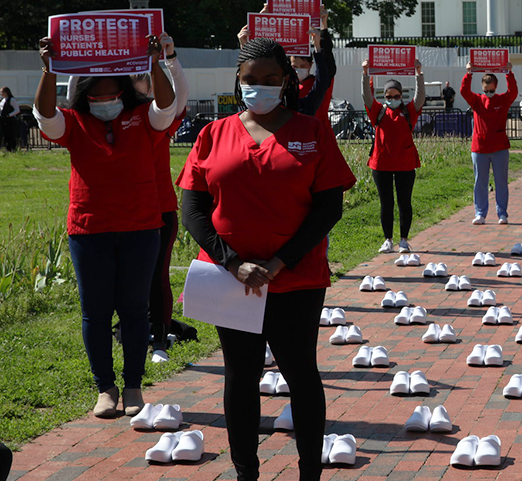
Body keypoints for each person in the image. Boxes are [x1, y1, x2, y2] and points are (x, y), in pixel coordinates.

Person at [178, 38, 356, 481]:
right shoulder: (212, 134)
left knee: (301, 373)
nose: (260, 87)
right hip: (229, 280)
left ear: (287, 81)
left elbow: (328, 207)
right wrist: (233, 262)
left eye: (270, 80)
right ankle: (245, 473)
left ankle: (309, 473)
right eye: (251, 80)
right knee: (241, 375)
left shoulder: (311, 132)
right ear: (238, 82)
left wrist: (279, 263)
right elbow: (193, 208)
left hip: (295, 279)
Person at [34, 35, 176, 419]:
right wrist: (49, 69)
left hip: (141, 228)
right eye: (95, 98)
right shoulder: (74, 123)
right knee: (94, 313)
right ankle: (105, 388)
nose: (105, 103)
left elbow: (166, 105)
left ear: (125, 93)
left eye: (112, 95)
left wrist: (154, 61)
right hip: (89, 230)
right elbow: (45, 115)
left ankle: (133, 387)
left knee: (134, 309)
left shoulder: (144, 119)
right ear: (83, 97)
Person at [66, 35, 190, 364]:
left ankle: (160, 337)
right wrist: (83, 60)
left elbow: (176, 99)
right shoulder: (101, 119)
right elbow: (73, 99)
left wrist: (169, 58)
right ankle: (128, 335)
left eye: (144, 80)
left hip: (157, 208)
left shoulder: (155, 119)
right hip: (114, 216)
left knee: (156, 277)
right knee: (116, 290)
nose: (140, 85)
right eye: (134, 79)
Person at [364, 61, 425, 254]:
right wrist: (366, 74)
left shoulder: (408, 111)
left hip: (405, 164)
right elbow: (366, 96)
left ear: (402, 95)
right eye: (389, 96)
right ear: (384, 97)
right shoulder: (378, 112)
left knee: (404, 202)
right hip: (381, 164)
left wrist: (418, 73)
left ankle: (404, 240)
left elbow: (420, 97)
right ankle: (388, 239)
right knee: (386, 203)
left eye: (396, 96)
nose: (393, 99)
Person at [461, 65, 517, 225]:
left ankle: (502, 213)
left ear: (496, 87)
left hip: (499, 148)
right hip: (480, 148)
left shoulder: (502, 100)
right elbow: (464, 91)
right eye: (486, 90)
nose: (489, 94)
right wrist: (469, 73)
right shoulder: (477, 100)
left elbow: (513, 91)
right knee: (480, 181)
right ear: (482, 88)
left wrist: (509, 73)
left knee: (501, 181)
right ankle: (480, 213)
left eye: (491, 90)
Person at [0, 86, 16, 151]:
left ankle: (12, 148)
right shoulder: (3, 100)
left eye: (2, 92)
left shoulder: (12, 99)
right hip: (3, 119)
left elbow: (17, 110)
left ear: (6, 92)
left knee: (10, 134)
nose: (1, 93)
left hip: (9, 120)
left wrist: (9, 115)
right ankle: (7, 147)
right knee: (5, 134)